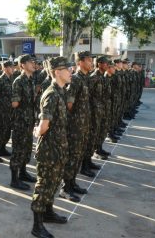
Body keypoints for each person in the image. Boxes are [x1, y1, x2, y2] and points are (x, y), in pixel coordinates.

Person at [31, 56, 73, 238]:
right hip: (49, 150)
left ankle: (48, 213)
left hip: (59, 148)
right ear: (57, 72)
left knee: (53, 183)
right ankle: (37, 225)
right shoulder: (51, 94)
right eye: (67, 69)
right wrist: (36, 131)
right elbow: (43, 126)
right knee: (44, 186)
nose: (70, 72)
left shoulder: (61, 91)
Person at [59, 51, 93, 203]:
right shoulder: (76, 79)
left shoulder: (86, 78)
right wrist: (73, 123)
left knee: (78, 156)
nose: (91, 62)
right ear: (80, 62)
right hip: (75, 126)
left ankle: (72, 183)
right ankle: (65, 189)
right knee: (72, 156)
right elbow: (69, 104)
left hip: (84, 124)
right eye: (88, 60)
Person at [10, 55, 37, 190]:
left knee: (26, 148)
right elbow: (15, 103)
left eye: (33, 62)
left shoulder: (30, 80)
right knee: (18, 149)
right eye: (30, 62)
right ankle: (14, 179)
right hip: (20, 121)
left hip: (29, 120)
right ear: (22, 65)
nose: (33, 64)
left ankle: (23, 172)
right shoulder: (18, 81)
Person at [0, 61, 14, 162]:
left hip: (10, 111)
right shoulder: (0, 80)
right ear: (5, 68)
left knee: (7, 131)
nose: (12, 68)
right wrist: (0, 105)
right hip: (1, 111)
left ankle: (3, 149)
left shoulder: (12, 79)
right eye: (10, 67)